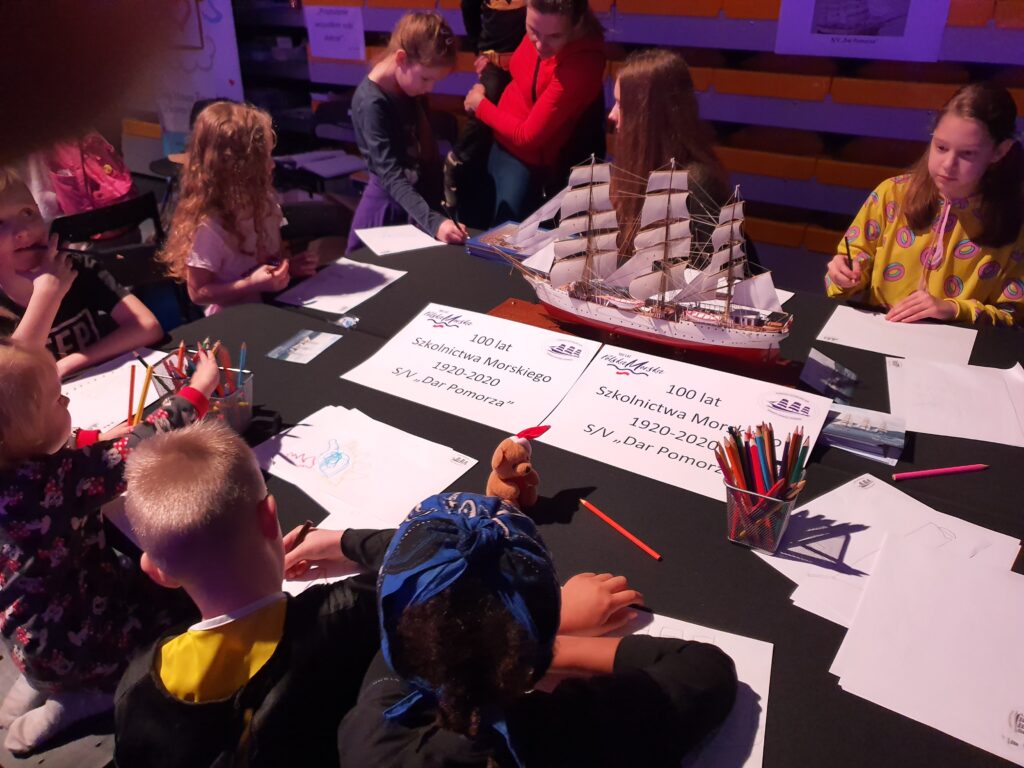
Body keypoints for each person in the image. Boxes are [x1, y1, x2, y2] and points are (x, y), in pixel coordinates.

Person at [318, 493, 738, 766]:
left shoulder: (371, 736)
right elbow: (705, 669)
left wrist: (350, 543)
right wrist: (542, 644)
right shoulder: (572, 737)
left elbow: (402, 621)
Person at [114, 420, 395, 767]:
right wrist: (347, 543)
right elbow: (439, 551)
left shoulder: (137, 687)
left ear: (158, 572)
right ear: (270, 516)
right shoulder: (346, 617)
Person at [0, 339, 218, 754]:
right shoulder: (56, 482)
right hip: (78, 643)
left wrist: (93, 438)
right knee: (173, 611)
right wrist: (198, 390)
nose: (67, 401)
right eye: (56, 400)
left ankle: (39, 683)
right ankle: (86, 696)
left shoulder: (14, 466)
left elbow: (56, 446)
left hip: (26, 638)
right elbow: (143, 449)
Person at [825, 82, 1024, 325]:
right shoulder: (892, 194)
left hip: (953, 345)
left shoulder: (1014, 220)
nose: (948, 164)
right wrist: (843, 275)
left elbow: (1013, 317)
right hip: (881, 333)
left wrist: (954, 309)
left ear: (999, 152)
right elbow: (852, 265)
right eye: (941, 147)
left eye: (967, 154)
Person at [0, 168, 164, 379]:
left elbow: (147, 326)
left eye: (28, 213)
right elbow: (13, 376)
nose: (24, 230)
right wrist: (47, 295)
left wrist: (67, 365)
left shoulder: (75, 267)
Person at [158, 102, 316, 316]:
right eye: (263, 159)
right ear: (237, 169)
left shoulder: (263, 200)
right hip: (232, 318)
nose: (272, 165)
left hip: (266, 304)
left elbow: (267, 260)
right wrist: (250, 285)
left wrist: (287, 268)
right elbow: (197, 293)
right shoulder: (209, 226)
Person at [464, 0, 606, 223]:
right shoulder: (543, 26)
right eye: (532, 31)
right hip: (498, 141)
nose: (540, 45)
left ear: (577, 24)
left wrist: (480, 105)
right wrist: (495, 62)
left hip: (524, 164)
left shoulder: (581, 65)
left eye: (554, 36)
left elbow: (528, 136)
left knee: (504, 235)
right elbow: (528, 71)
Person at [348, 12, 466, 253]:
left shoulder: (411, 87)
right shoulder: (371, 103)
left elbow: (425, 149)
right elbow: (390, 175)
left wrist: (437, 213)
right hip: (388, 207)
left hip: (417, 203)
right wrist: (433, 221)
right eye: (425, 79)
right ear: (401, 58)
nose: (429, 88)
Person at [608, 49, 731, 256]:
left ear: (649, 115)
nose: (611, 115)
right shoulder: (638, 170)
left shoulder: (697, 184)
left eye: (621, 105)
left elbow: (710, 271)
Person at [444, 1, 527, 228]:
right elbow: (469, 11)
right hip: (495, 62)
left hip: (526, 62)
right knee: (483, 111)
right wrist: (479, 51)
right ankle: (458, 160)